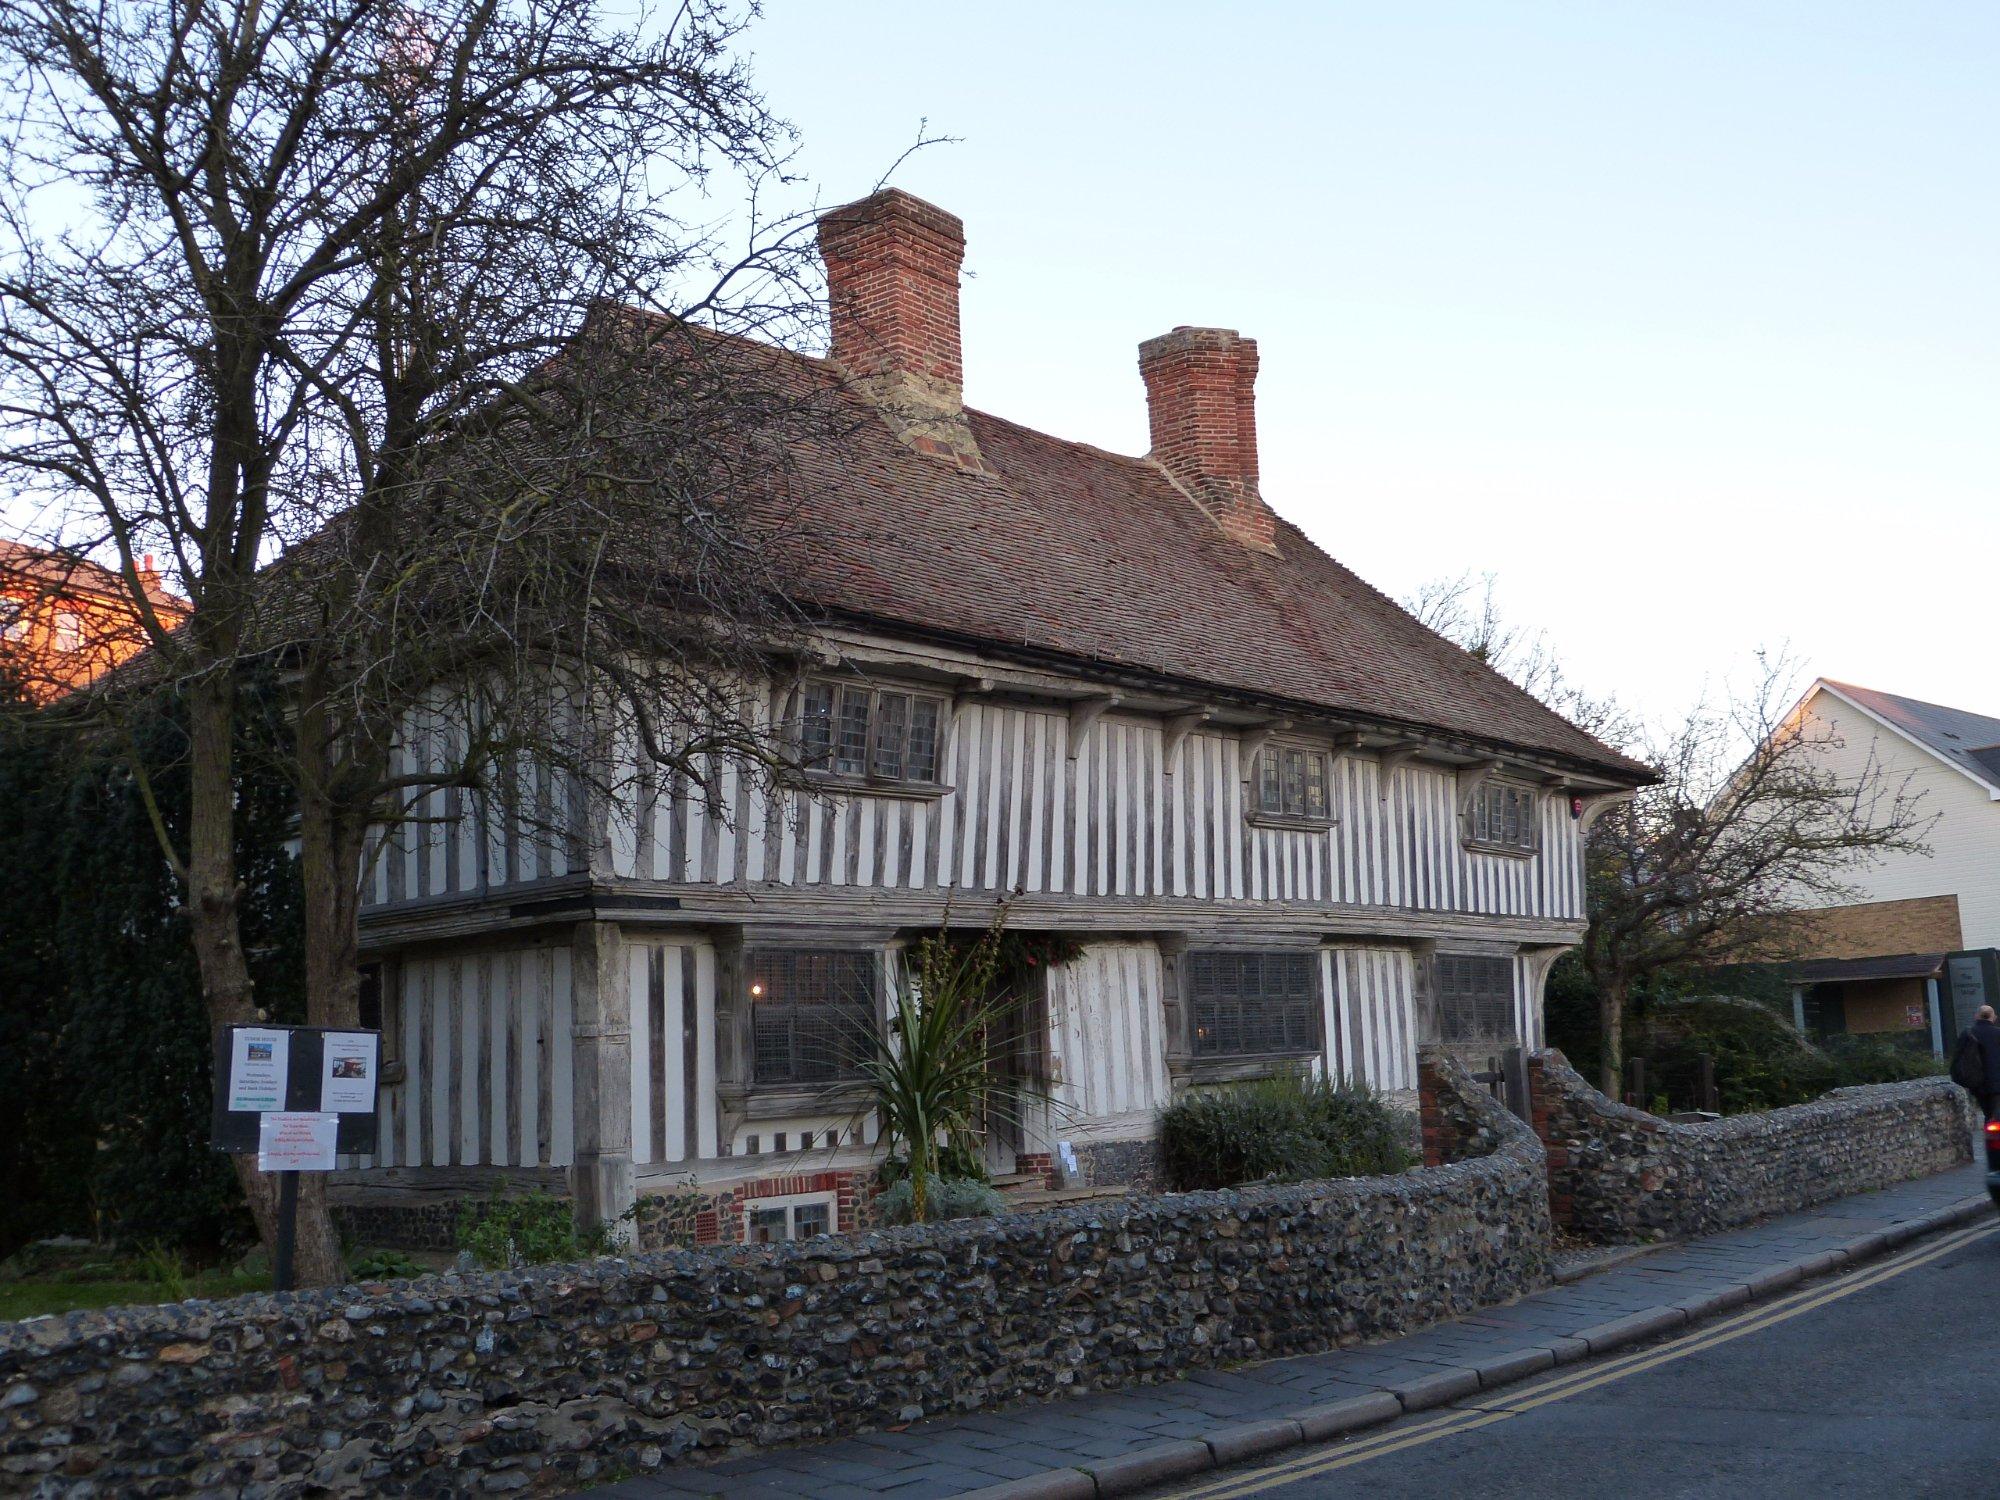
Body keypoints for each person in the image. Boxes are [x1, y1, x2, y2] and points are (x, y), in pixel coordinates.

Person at [1951, 1004, 2000, 1120]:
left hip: (1977, 1085)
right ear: (1994, 1018)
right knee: (1995, 1115)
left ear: (1976, 1016)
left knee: (1987, 1113)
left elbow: (1957, 1060)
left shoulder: (1968, 1034)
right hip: (1998, 1085)